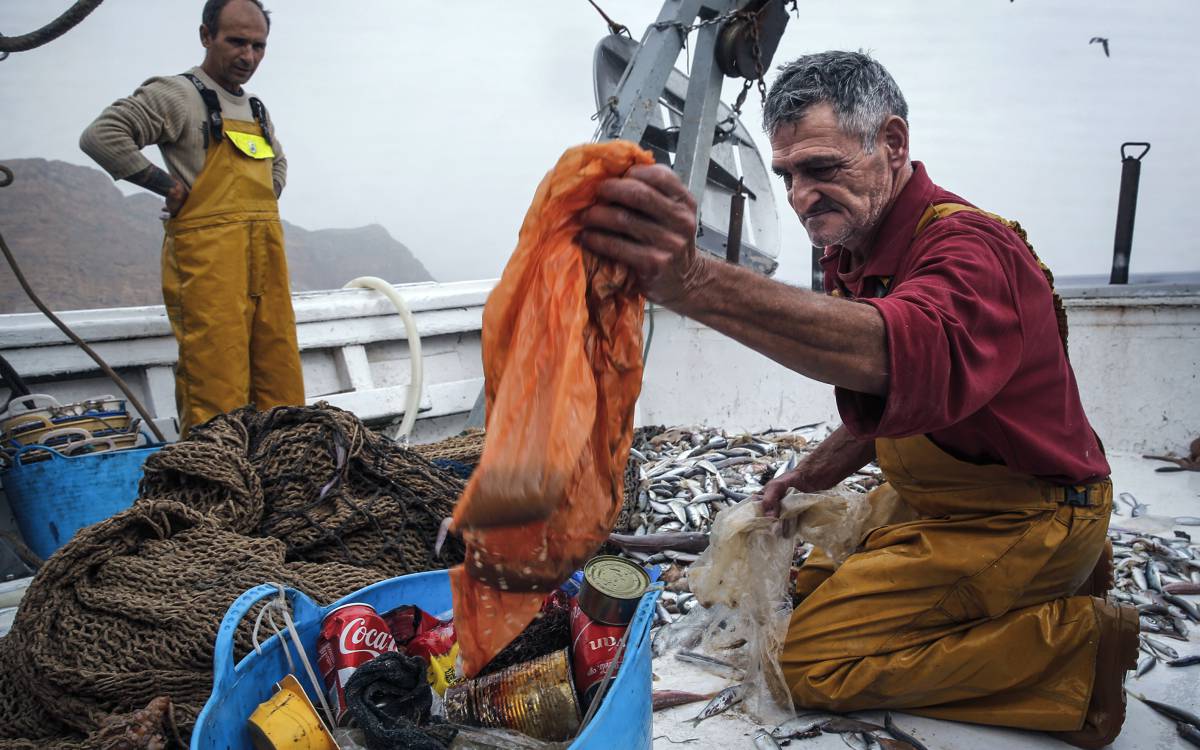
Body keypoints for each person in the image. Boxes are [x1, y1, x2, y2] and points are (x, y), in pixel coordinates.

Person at [579, 51, 1135, 749]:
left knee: (809, 663)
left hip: (1029, 514)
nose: (800, 194)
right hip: (948, 499)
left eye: (822, 169)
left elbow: (897, 349)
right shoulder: (863, 248)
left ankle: (1078, 651)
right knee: (808, 587)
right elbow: (900, 397)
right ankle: (1024, 595)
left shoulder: (970, 252)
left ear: (892, 145)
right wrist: (803, 478)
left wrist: (696, 282)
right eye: (787, 175)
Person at [80, 0, 304, 437]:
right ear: (206, 36)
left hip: (265, 257)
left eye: (259, 46)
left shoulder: (255, 109)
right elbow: (102, 136)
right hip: (208, 262)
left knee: (280, 378)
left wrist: (262, 198)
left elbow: (277, 164)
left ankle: (281, 484)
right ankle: (216, 486)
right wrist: (170, 187)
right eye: (236, 42)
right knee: (214, 384)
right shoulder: (177, 94)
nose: (248, 56)